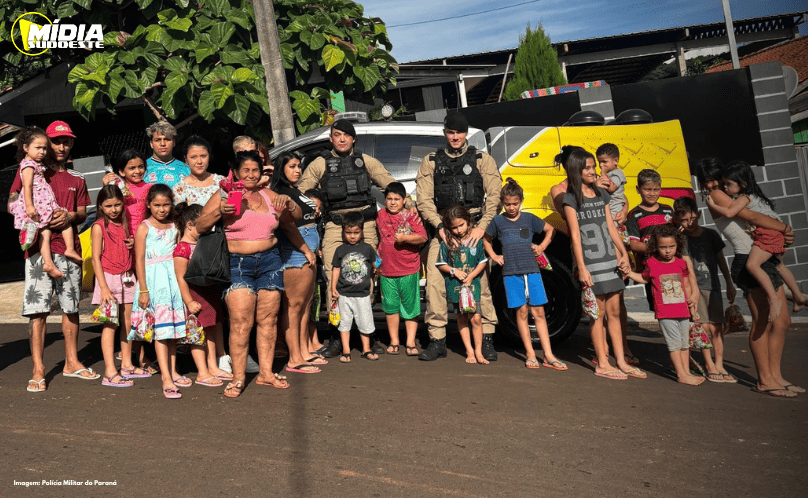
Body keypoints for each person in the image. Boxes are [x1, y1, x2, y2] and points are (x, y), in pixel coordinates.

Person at [197, 151, 303, 398]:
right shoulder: (225, 195)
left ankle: (266, 373)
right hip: (237, 263)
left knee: (268, 320)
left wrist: (289, 204)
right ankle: (238, 378)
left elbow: (296, 217)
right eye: (245, 170)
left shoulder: (268, 195)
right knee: (241, 323)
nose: (251, 175)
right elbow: (201, 225)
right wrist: (219, 212)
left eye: (255, 170)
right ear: (235, 172)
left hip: (270, 262)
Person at [297, 119, 404, 358]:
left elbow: (390, 184)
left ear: (354, 138)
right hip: (336, 225)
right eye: (337, 135)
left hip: (365, 223)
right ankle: (336, 334)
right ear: (331, 139)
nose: (342, 139)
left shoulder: (366, 161)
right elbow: (302, 193)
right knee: (332, 276)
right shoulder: (320, 164)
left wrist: (411, 207)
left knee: (367, 276)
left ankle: (369, 334)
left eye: (346, 135)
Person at [696, 158, 801, 397]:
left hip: (762, 258)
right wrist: (784, 228)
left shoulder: (729, 194)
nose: (713, 184)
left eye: (717, 178)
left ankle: (776, 376)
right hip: (746, 261)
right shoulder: (717, 196)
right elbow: (753, 218)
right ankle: (765, 380)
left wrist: (781, 232)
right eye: (708, 180)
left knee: (782, 321)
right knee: (762, 321)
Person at [8, 120, 97, 392]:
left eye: (66, 141)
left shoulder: (78, 178)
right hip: (37, 251)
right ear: (44, 144)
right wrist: (24, 214)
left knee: (71, 309)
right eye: (55, 141)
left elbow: (83, 212)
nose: (61, 146)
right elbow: (13, 198)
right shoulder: (32, 169)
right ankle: (38, 368)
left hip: (69, 252)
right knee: (38, 312)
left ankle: (71, 362)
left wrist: (69, 215)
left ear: (71, 144)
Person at [416, 111, 501, 361]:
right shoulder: (430, 161)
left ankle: (486, 338)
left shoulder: (481, 159)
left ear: (466, 133)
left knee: (480, 286)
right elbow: (424, 199)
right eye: (451, 132)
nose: (455, 137)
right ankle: (437, 340)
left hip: (474, 229)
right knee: (434, 284)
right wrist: (440, 228)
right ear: (445, 133)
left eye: (459, 132)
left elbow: (494, 196)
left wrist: (481, 227)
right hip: (443, 231)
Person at [562, 147, 644, 380]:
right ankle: (602, 364)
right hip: (591, 264)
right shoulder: (570, 198)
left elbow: (610, 226)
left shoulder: (601, 194)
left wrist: (622, 253)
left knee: (615, 312)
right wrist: (582, 267)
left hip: (610, 261)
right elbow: (575, 235)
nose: (592, 170)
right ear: (576, 170)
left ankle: (621, 361)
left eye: (593, 166)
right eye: (587, 167)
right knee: (597, 314)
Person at [169, 135, 236, 375]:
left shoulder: (221, 182)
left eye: (203, 155)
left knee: (219, 310)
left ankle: (223, 357)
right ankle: (207, 363)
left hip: (221, 249)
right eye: (193, 156)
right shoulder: (179, 188)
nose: (199, 161)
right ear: (185, 159)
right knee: (202, 311)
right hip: (195, 256)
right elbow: (177, 226)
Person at [706, 161, 807, 321]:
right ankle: (798, 296)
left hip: (767, 235)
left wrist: (711, 205)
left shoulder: (743, 198)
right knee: (780, 265)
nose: (722, 187)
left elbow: (735, 213)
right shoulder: (756, 196)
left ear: (742, 183)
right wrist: (785, 229)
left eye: (727, 183)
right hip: (772, 233)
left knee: (753, 265)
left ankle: (776, 299)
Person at [484, 178, 564, 371]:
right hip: (511, 273)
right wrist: (494, 255)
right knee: (521, 312)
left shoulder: (529, 219)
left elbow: (550, 230)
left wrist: (542, 246)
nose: (511, 207)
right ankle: (529, 353)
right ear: (502, 203)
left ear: (521, 201)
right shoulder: (497, 221)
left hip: (533, 271)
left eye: (515, 203)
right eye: (507, 204)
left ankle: (548, 355)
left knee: (539, 312)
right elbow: (486, 239)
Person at [624, 225, 703, 385]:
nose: (668, 251)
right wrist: (628, 272)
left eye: (671, 247)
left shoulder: (681, 263)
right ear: (656, 247)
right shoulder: (652, 263)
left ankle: (686, 372)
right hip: (665, 312)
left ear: (678, 245)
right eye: (663, 247)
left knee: (684, 343)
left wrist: (693, 309)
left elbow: (686, 286)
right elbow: (644, 278)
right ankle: (681, 375)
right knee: (674, 343)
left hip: (682, 310)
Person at [130, 184, 189, 399]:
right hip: (154, 283)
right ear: (148, 205)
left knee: (172, 332)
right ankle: (166, 377)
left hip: (173, 281)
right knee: (161, 332)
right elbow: (139, 261)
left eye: (166, 205)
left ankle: (173, 370)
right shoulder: (144, 227)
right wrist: (143, 290)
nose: (162, 209)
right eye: (157, 205)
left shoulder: (175, 226)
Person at [673, 196, 737, 383]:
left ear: (698, 215)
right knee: (703, 326)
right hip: (695, 287)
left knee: (717, 326)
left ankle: (720, 364)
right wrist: (691, 292)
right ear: (677, 220)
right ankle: (709, 364)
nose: (688, 223)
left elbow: (721, 260)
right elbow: (687, 267)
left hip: (714, 286)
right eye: (683, 220)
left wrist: (729, 283)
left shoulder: (711, 235)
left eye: (691, 218)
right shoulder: (681, 239)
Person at [270, 152, 320, 374]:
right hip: (295, 248)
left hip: (308, 245)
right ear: (282, 169)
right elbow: (288, 226)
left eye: (299, 166)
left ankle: (304, 351)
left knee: (305, 304)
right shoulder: (280, 193)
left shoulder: (294, 190)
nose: (298, 170)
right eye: (292, 166)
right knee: (293, 306)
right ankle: (294, 358)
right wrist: (305, 249)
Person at [91, 185, 145, 387]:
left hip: (127, 276)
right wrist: (104, 288)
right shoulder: (98, 227)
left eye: (117, 205)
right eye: (108, 206)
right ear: (100, 206)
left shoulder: (125, 223)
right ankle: (109, 371)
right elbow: (96, 259)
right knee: (110, 324)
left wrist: (131, 244)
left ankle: (127, 365)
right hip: (109, 279)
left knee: (128, 323)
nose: (114, 209)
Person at [9, 127, 80, 279]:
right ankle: (48, 261)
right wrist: (29, 206)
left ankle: (68, 249)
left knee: (57, 226)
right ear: (26, 147)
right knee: (45, 232)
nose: (42, 152)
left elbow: (81, 213)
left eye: (44, 148)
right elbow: (26, 187)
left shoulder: (75, 177)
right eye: (38, 148)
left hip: (45, 204)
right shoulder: (28, 165)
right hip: (37, 206)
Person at [172, 202, 229, 386]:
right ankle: (202, 372)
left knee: (211, 329)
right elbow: (180, 278)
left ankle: (212, 366)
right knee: (197, 335)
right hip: (194, 296)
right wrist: (188, 301)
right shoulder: (182, 248)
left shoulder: (202, 244)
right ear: (189, 225)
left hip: (209, 293)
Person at [376, 181, 427, 356]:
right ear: (384, 200)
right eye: (389, 199)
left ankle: (411, 342)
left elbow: (422, 237)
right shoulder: (380, 215)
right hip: (387, 270)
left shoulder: (411, 216)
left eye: (396, 199)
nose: (392, 202)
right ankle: (394, 341)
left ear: (404, 200)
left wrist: (405, 238)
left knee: (410, 307)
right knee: (390, 307)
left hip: (409, 269)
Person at [435, 206, 489, 363]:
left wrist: (472, 275)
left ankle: (479, 352)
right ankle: (469, 351)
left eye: (461, 225)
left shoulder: (475, 240)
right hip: (456, 287)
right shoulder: (448, 243)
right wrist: (454, 272)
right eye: (454, 227)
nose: (458, 230)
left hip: (473, 286)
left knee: (476, 318)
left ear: (468, 221)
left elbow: (483, 261)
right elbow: (441, 263)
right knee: (462, 318)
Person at [331, 211, 378, 363]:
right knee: (344, 323)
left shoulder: (367, 248)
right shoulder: (340, 250)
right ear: (343, 232)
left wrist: (377, 269)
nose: (352, 236)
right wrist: (333, 288)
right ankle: (346, 351)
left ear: (362, 231)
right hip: (344, 294)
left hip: (362, 294)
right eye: (348, 233)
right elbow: (336, 269)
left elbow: (376, 261)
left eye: (356, 233)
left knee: (365, 322)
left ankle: (366, 349)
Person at [626, 169, 675, 312]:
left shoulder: (668, 210)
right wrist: (658, 248)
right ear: (638, 190)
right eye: (647, 189)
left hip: (671, 266)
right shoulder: (634, 215)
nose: (652, 193)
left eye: (656, 189)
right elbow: (634, 245)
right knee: (659, 306)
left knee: (675, 302)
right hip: (651, 268)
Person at [144, 121, 190, 188]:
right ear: (151, 144)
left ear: (174, 142)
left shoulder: (186, 169)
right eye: (157, 140)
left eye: (167, 139)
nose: (162, 144)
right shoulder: (142, 168)